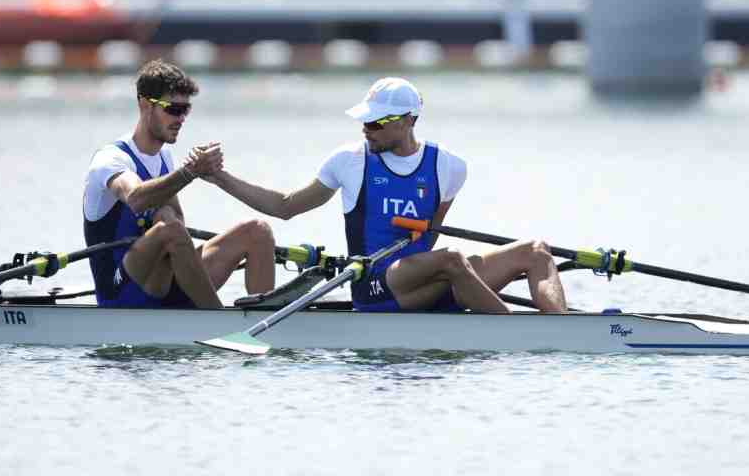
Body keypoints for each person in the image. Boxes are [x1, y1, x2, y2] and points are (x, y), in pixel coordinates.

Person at [195, 77, 567, 314]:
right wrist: (219, 178)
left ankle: (563, 331)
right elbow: (285, 206)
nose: (365, 129)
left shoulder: (450, 168)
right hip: (375, 286)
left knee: (535, 251)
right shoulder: (349, 161)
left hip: (427, 277)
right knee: (454, 258)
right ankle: (514, 333)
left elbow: (428, 236)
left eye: (375, 122)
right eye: (363, 121)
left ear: (408, 121)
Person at [83, 59, 276, 308]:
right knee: (168, 229)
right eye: (173, 109)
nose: (181, 118)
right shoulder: (110, 160)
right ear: (145, 105)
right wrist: (190, 171)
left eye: (186, 110)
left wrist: (186, 185)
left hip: (164, 280)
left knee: (257, 231)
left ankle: (265, 320)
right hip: (121, 290)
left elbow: (179, 221)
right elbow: (136, 198)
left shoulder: (164, 157)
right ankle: (218, 322)